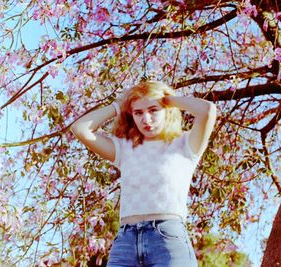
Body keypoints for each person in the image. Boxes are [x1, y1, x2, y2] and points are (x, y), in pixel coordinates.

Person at [71, 81, 217, 267]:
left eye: (153, 110)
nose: (146, 119)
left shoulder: (186, 144)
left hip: (168, 239)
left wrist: (167, 99)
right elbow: (80, 129)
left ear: (166, 109)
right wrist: (118, 106)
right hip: (126, 241)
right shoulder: (124, 148)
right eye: (138, 112)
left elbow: (207, 111)